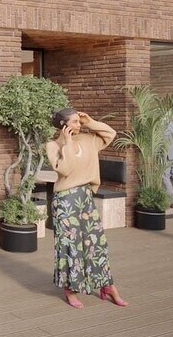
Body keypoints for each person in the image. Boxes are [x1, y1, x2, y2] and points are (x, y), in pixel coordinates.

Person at [45, 108, 128, 309]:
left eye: (79, 121)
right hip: (65, 201)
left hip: (85, 197)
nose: (78, 125)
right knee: (70, 245)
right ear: (63, 125)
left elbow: (110, 134)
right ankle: (70, 289)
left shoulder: (89, 139)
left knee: (96, 243)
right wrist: (68, 143)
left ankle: (107, 286)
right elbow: (66, 169)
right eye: (74, 122)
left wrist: (90, 121)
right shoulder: (53, 146)